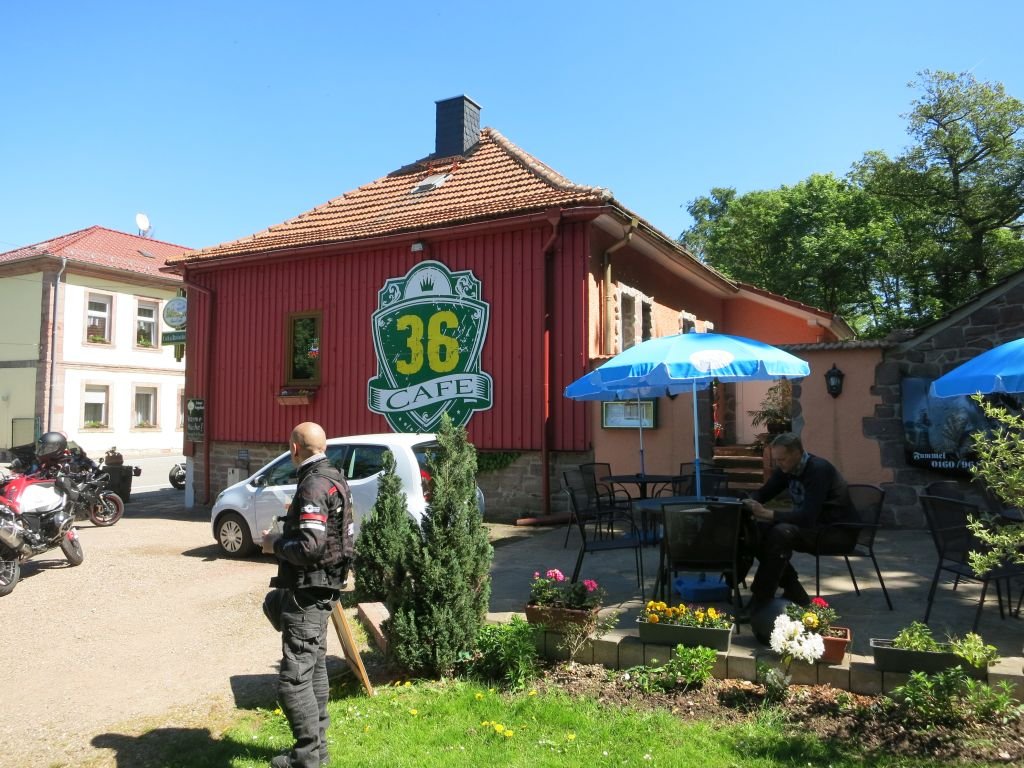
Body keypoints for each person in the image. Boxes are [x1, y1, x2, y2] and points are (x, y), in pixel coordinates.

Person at [262, 422, 353, 768]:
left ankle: (306, 760)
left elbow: (310, 547)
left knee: (294, 681)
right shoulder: (334, 477)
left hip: (308, 592)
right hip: (325, 589)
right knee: (314, 672)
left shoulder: (313, 484)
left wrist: (275, 544)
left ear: (294, 448)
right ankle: (318, 754)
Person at [740, 432, 858, 619]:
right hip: (814, 529)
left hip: (837, 532)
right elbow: (764, 493)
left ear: (797, 453)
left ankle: (761, 599)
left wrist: (769, 514)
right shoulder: (787, 468)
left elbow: (808, 517)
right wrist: (750, 502)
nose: (779, 464)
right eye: (776, 460)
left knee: (780, 534)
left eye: (782, 459)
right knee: (757, 531)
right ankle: (794, 590)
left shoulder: (818, 470)